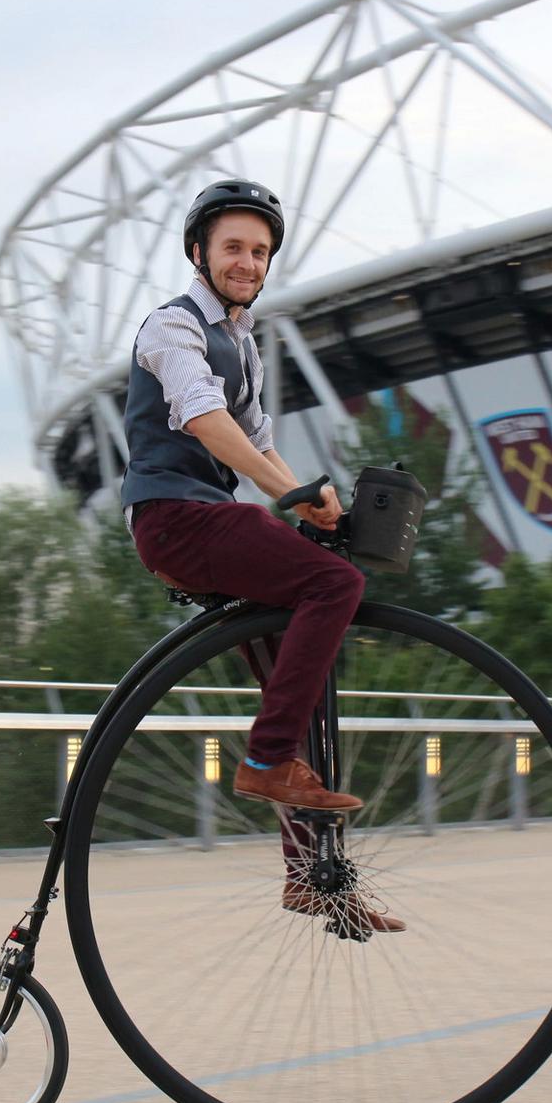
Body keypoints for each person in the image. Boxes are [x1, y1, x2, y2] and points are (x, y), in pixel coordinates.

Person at [120, 178, 403, 933]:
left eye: (260, 251)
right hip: (176, 517)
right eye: (234, 248)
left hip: (215, 515)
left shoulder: (242, 343)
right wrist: (290, 494)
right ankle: (264, 758)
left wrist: (317, 500)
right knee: (333, 584)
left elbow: (262, 442)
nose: (248, 262)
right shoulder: (170, 329)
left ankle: (313, 878)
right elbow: (210, 424)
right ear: (199, 253)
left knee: (296, 678)